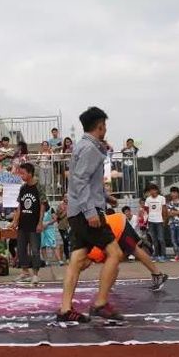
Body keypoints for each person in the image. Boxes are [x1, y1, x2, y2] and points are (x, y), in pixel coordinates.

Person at [58, 106, 123, 323]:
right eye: (105, 125)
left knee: (77, 259)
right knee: (115, 253)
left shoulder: (84, 146)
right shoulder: (90, 149)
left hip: (78, 211)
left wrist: (105, 197)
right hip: (87, 212)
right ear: (100, 126)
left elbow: (87, 179)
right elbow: (79, 181)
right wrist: (90, 211)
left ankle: (65, 309)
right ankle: (100, 303)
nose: (106, 129)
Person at [85, 213, 168, 291]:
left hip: (120, 228)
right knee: (130, 252)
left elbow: (114, 267)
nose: (84, 268)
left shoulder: (94, 254)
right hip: (116, 228)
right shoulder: (91, 252)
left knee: (135, 250)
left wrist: (105, 288)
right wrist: (107, 288)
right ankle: (141, 244)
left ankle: (158, 274)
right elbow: (114, 266)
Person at [10, 163, 46, 285]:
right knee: (21, 249)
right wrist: (15, 221)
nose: (21, 175)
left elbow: (42, 205)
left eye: (23, 173)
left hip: (34, 224)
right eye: (20, 173)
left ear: (30, 173)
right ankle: (25, 272)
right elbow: (20, 206)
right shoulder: (23, 188)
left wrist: (40, 223)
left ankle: (35, 275)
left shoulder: (39, 187)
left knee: (35, 250)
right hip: (23, 224)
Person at [145, 183, 168, 262]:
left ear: (157, 190)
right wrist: (150, 218)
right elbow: (147, 210)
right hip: (151, 221)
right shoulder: (148, 199)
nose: (152, 192)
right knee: (154, 239)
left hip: (159, 221)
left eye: (153, 190)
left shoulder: (161, 198)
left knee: (161, 239)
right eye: (150, 190)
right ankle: (156, 255)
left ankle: (163, 255)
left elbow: (164, 209)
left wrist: (164, 219)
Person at [40, 201, 62, 266]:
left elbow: (55, 218)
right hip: (41, 229)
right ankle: (46, 261)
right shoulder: (39, 210)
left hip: (49, 229)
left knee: (53, 244)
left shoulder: (50, 209)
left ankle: (59, 260)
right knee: (43, 246)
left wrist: (48, 223)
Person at [56, 195, 70, 261]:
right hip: (63, 227)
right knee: (66, 241)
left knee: (73, 241)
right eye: (65, 197)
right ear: (63, 198)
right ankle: (67, 257)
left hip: (71, 226)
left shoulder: (73, 204)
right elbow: (59, 217)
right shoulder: (60, 206)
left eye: (68, 196)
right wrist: (65, 211)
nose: (67, 198)